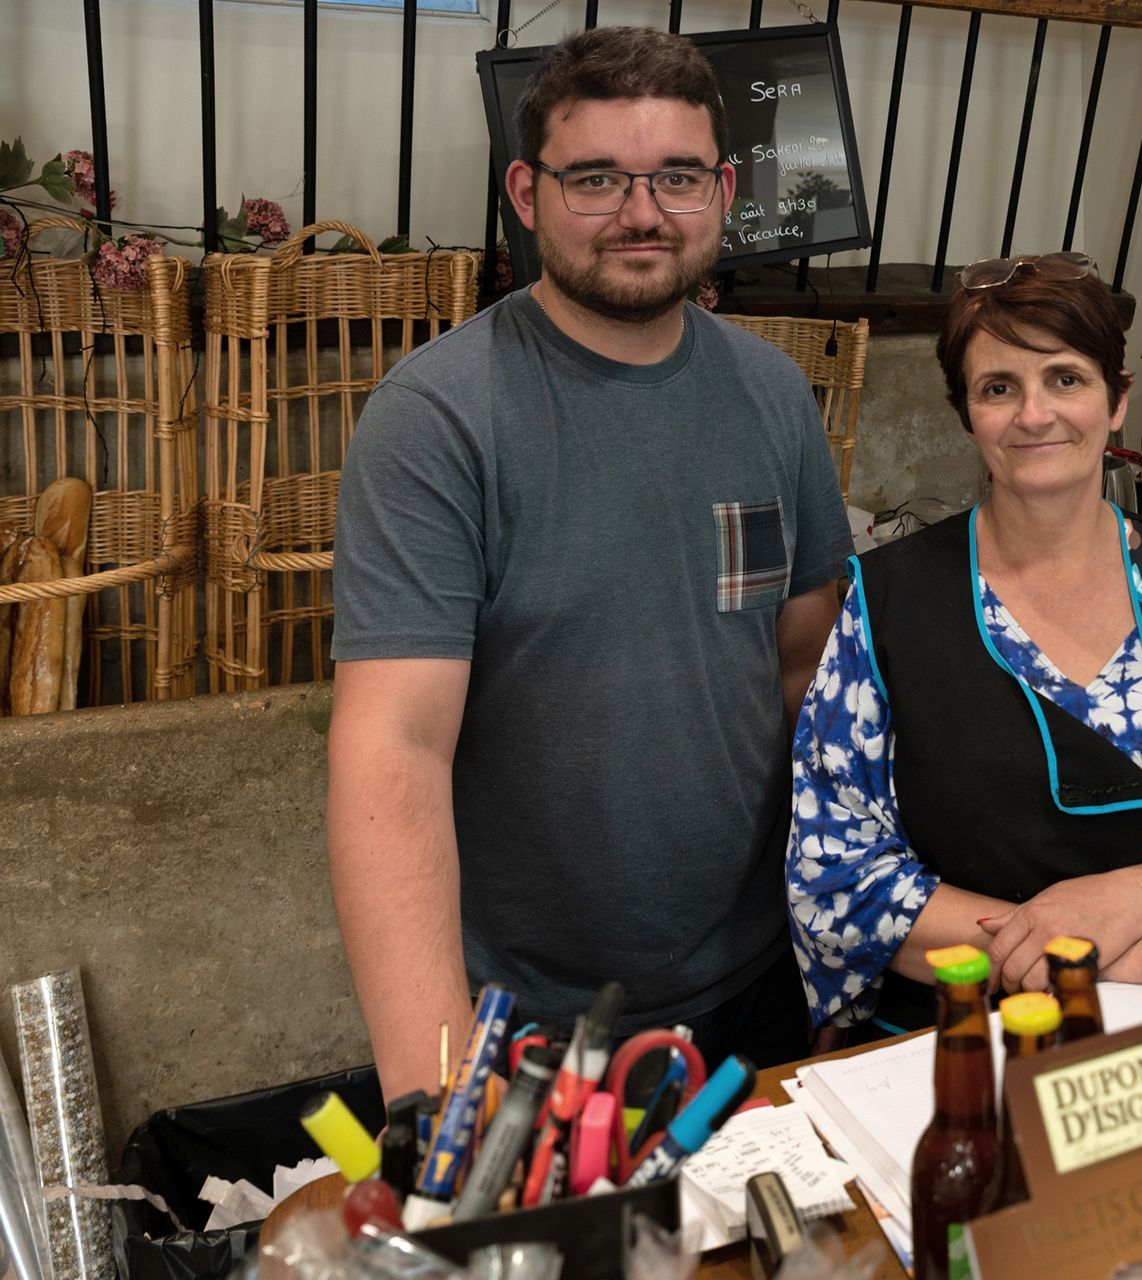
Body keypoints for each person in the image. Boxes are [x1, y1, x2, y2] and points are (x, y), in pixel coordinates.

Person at [328, 25, 850, 1098]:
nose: (644, 212)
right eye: (598, 178)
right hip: (532, 1024)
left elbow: (809, 669)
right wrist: (436, 1093)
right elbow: (395, 747)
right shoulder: (437, 418)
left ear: (725, 187)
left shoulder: (774, 396)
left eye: (677, 177)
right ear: (527, 192)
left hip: (764, 980)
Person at [786, 252, 1142, 1032]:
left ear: (1118, 401)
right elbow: (837, 883)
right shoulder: (885, 604)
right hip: (966, 1042)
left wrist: (1132, 899)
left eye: (1066, 378)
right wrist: (1087, 957)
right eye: (998, 388)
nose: (1034, 414)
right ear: (966, 414)